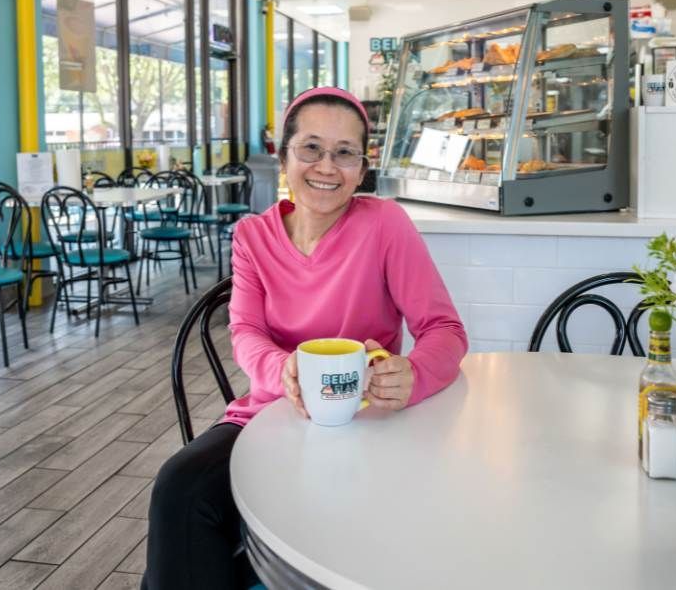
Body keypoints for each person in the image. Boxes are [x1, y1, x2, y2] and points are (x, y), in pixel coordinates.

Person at [142, 86, 468, 589]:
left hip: (367, 425)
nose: (326, 167)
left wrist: (415, 374)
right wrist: (283, 372)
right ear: (283, 153)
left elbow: (444, 330)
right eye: (311, 148)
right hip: (270, 416)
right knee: (181, 488)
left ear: (362, 168)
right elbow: (246, 331)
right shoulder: (253, 236)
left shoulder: (385, 225)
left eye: (345, 153)